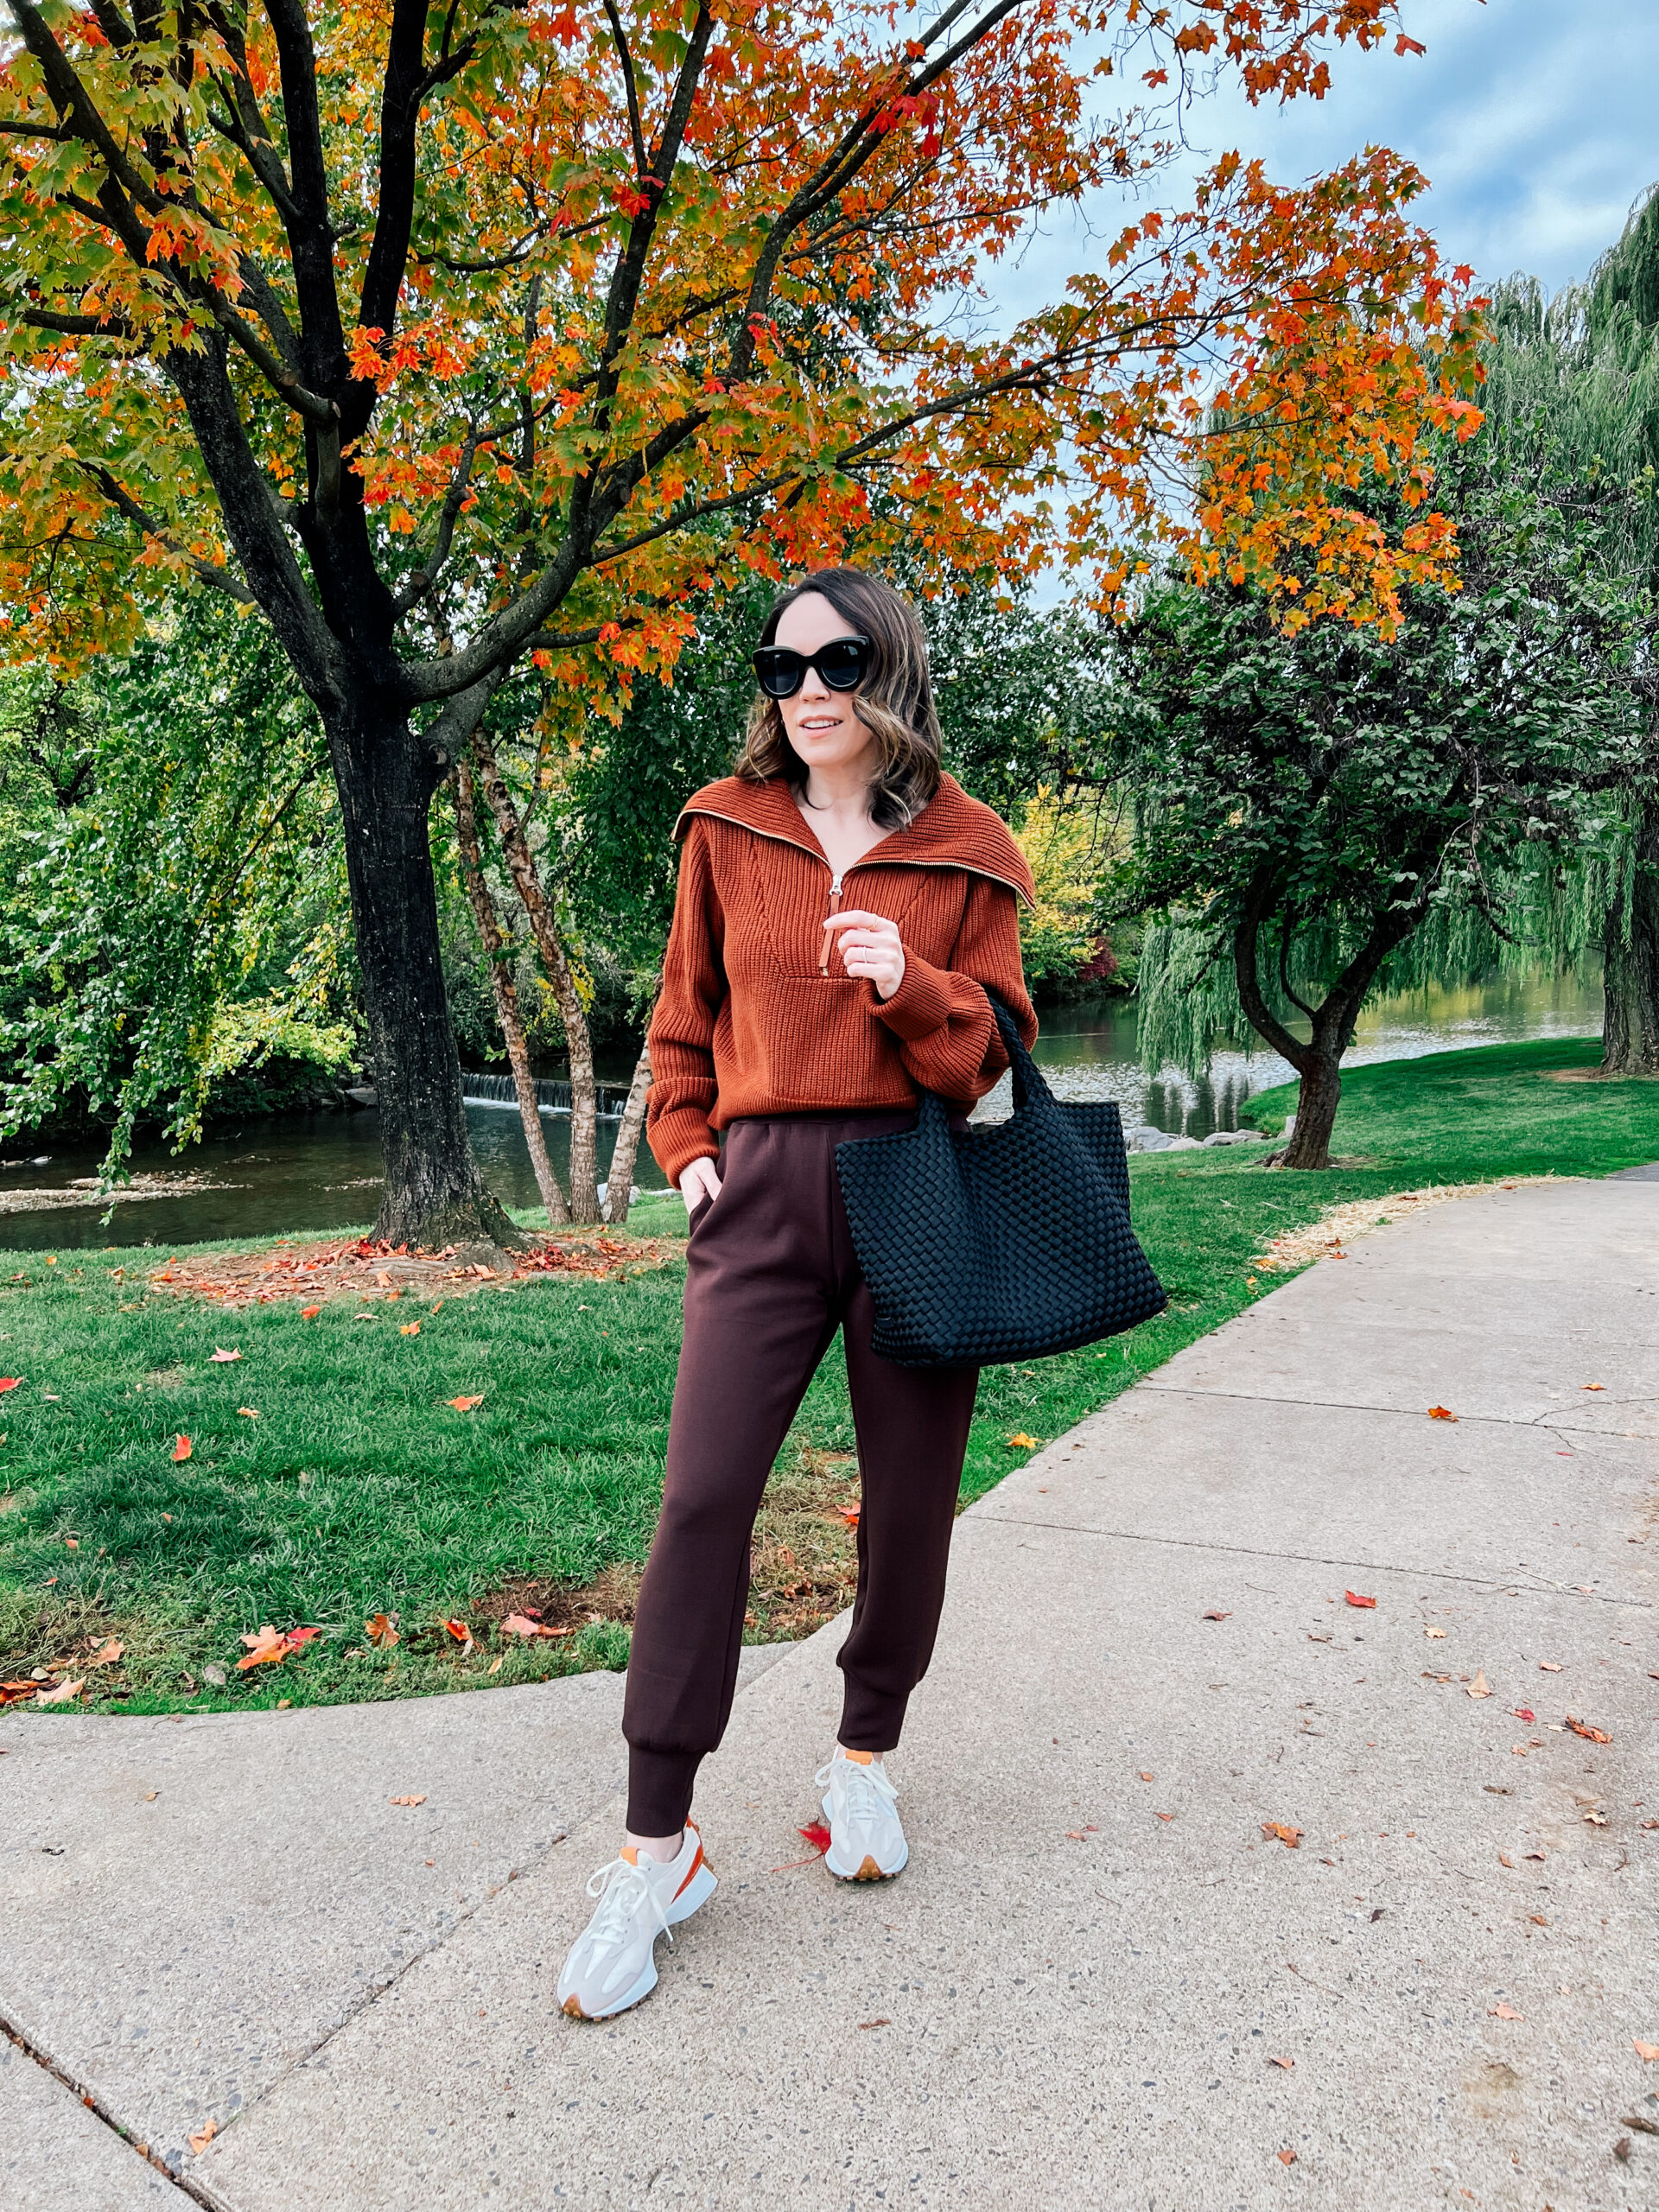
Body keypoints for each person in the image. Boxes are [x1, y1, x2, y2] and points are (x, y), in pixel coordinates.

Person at [557, 566, 1037, 2021]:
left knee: (908, 1499)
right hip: (757, 1198)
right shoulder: (725, 824)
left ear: (891, 672)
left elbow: (997, 1060)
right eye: (783, 668)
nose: (809, 689)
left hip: (917, 1190)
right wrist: (691, 1152)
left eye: (837, 662)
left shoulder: (970, 852)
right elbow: (679, 1023)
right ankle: (659, 1847)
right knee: (703, 1498)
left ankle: (864, 1761)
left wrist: (914, 985)